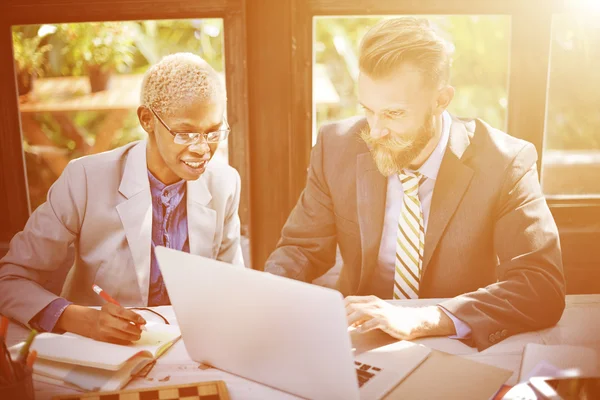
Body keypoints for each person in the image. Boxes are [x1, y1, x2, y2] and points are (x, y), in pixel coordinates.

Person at [265, 18, 566, 351]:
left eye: (394, 114)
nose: (375, 131)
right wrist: (264, 299)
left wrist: (424, 319)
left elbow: (540, 287)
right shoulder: (336, 146)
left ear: (441, 100)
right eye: (369, 110)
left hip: (455, 345)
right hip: (358, 342)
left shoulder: (506, 163)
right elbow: (301, 249)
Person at [0, 53, 244, 344]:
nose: (203, 149)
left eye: (213, 132)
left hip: (190, 346)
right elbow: (9, 281)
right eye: (185, 133)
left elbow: (233, 288)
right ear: (147, 120)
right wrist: (76, 317)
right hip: (99, 349)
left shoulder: (224, 182)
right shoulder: (86, 179)